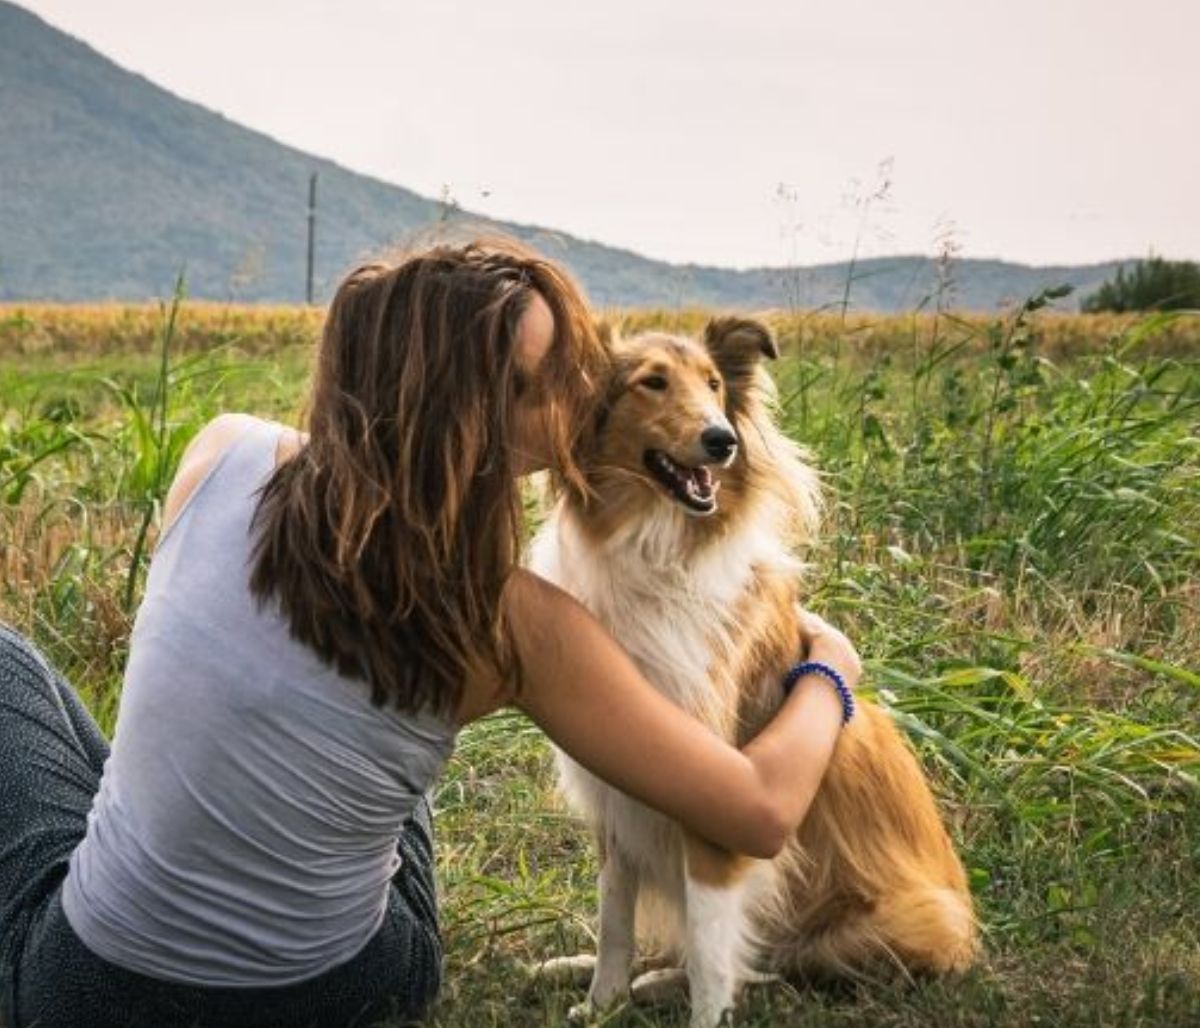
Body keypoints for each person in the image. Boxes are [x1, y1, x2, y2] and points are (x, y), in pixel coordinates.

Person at [0, 237, 862, 1028]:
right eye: (540, 381)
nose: (576, 396)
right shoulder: (517, 621)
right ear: (468, 414)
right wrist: (832, 665)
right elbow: (756, 813)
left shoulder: (222, 451)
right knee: (395, 726)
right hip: (347, 991)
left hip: (85, 994)